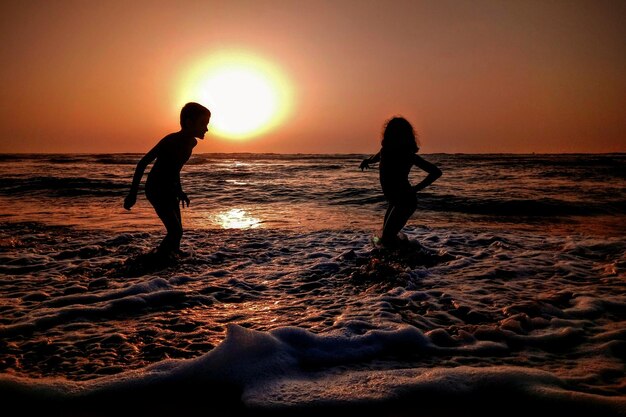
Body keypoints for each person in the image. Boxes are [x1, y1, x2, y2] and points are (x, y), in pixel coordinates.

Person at [124, 102, 211, 258]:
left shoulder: (192, 142)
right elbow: (142, 163)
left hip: (170, 188)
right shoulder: (171, 140)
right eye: (203, 123)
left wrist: (180, 190)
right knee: (175, 232)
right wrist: (132, 194)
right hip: (156, 188)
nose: (207, 129)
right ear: (189, 122)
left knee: (178, 234)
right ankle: (152, 261)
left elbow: (174, 168)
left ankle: (170, 264)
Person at [360, 116, 442, 246]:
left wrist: (415, 189)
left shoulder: (406, 154)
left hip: (405, 202)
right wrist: (368, 161)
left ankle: (410, 254)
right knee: (384, 237)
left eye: (391, 131)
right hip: (394, 201)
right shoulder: (385, 151)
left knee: (386, 237)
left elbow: (436, 172)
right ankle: (400, 257)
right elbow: (377, 157)